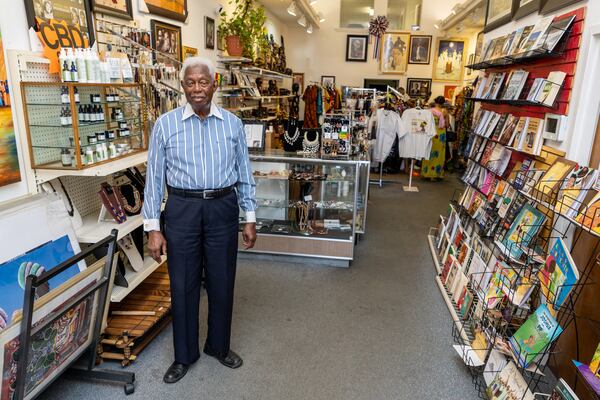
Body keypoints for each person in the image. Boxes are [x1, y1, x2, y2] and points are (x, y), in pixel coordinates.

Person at [142, 56, 257, 384]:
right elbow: (154, 179)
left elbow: (244, 175)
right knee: (182, 284)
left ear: (214, 83)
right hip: (182, 210)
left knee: (222, 281)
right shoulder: (166, 124)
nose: (196, 89)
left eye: (202, 82)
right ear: (182, 86)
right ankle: (184, 355)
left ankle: (218, 347)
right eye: (190, 82)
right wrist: (153, 227)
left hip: (223, 209)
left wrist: (249, 218)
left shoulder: (233, 124)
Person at [421, 96, 447, 180]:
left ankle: (427, 173)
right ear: (443, 103)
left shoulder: (429, 111)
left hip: (431, 133)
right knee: (439, 154)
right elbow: (447, 124)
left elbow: (424, 122)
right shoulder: (444, 111)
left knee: (429, 152)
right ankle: (436, 174)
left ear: (435, 102)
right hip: (441, 135)